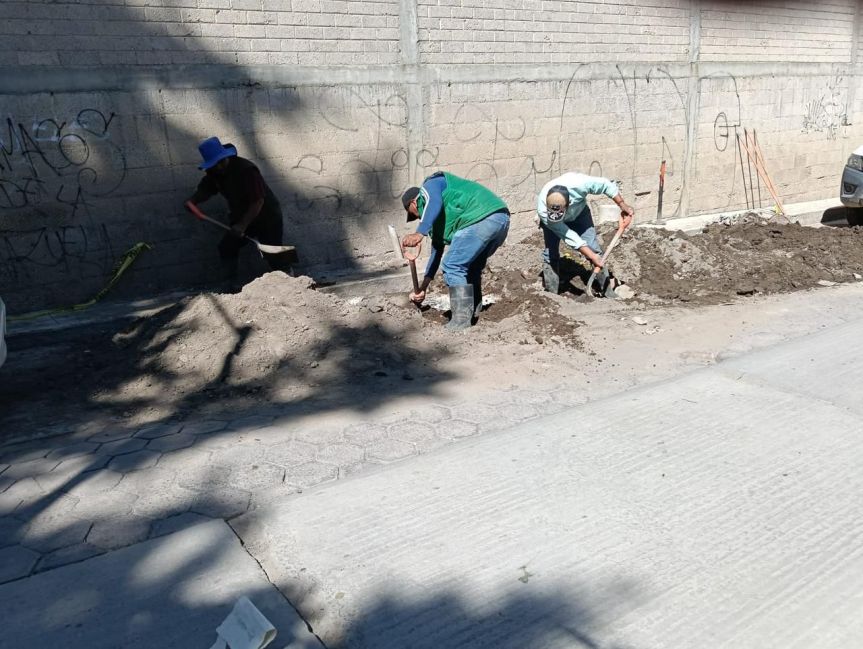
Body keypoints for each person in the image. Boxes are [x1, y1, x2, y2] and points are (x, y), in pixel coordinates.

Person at [401, 172, 510, 331]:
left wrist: (420, 232)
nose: (417, 218)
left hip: (481, 217)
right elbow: (436, 253)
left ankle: (460, 321)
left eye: (413, 214)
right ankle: (474, 310)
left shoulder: (431, 185)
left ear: (413, 203)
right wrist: (423, 287)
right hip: (500, 219)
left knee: (452, 265)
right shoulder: (438, 219)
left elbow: (433, 201)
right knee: (471, 267)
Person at [185, 137, 287, 283]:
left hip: (267, 216)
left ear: (226, 156)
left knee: (273, 253)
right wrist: (193, 201)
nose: (219, 166)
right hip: (242, 216)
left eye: (221, 162)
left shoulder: (246, 170)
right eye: (215, 164)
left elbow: (258, 201)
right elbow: (206, 190)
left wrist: (242, 225)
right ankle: (231, 287)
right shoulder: (215, 174)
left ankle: (291, 283)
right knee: (227, 247)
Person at [536, 173, 634, 297]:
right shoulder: (543, 210)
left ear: (569, 203)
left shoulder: (580, 183)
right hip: (553, 224)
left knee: (594, 248)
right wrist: (591, 256)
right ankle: (552, 296)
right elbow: (568, 236)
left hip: (579, 214)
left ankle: (607, 292)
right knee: (551, 254)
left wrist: (622, 204)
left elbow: (606, 185)